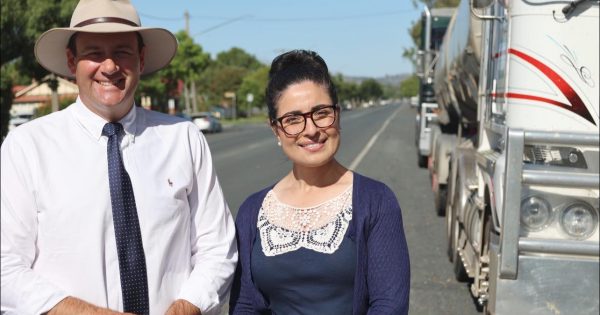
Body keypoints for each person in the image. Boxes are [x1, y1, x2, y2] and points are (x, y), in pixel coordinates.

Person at [0, 1, 237, 314]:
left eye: (123, 51)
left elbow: (217, 247)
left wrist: (186, 306)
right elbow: (6, 268)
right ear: (72, 61)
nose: (109, 66)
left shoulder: (183, 138)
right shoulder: (27, 147)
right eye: (94, 52)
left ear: (140, 59)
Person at [229, 50, 410, 315]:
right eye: (292, 119)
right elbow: (244, 305)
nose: (311, 129)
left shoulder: (376, 201)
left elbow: (389, 306)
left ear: (338, 114)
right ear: (275, 129)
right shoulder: (252, 212)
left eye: (321, 113)